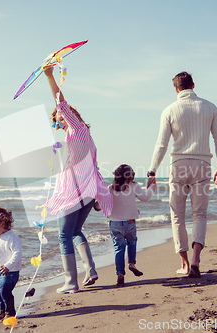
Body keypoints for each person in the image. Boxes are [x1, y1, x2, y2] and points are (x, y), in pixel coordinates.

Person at [147, 71, 217, 278]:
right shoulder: (210, 107)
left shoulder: (169, 110)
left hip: (179, 165)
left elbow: (161, 144)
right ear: (193, 84)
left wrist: (152, 170)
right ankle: (196, 260)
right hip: (202, 164)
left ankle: (184, 264)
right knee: (199, 214)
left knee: (177, 215)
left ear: (176, 89)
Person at [43, 65, 113, 294]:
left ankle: (71, 283)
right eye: (56, 122)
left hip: (76, 192)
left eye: (60, 119)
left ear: (69, 116)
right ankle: (90, 270)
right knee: (74, 232)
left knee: (64, 235)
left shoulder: (78, 129)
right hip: (86, 191)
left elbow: (61, 102)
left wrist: (50, 76)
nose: (59, 123)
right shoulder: (77, 137)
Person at [107, 164, 156, 286]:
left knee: (118, 248)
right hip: (129, 223)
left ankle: (120, 273)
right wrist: (152, 188)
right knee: (132, 241)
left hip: (114, 224)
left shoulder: (110, 188)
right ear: (131, 176)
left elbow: (102, 203)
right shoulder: (133, 186)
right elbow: (145, 197)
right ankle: (131, 264)